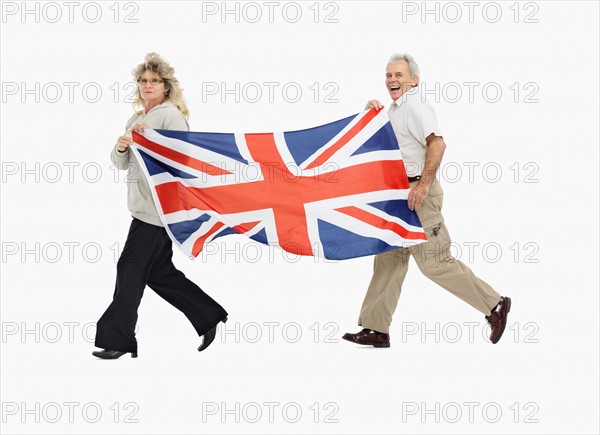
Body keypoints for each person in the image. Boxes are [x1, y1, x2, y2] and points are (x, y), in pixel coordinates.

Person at [342, 53, 511, 348]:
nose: (392, 80)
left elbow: (438, 143)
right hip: (396, 196)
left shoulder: (418, 106)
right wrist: (370, 114)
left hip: (418, 195)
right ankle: (376, 328)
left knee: (435, 262)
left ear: (414, 80)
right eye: (388, 75)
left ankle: (494, 304)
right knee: (389, 260)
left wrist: (423, 185)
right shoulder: (395, 110)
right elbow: (386, 146)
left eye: (398, 75)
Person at [93, 53, 228, 359]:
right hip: (140, 207)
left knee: (129, 269)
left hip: (159, 212)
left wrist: (149, 144)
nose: (148, 85)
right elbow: (121, 164)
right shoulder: (136, 118)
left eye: (155, 81)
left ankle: (118, 339)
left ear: (166, 86)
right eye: (143, 81)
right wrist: (121, 146)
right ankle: (208, 314)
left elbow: (182, 159)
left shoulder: (170, 116)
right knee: (158, 273)